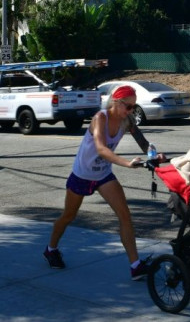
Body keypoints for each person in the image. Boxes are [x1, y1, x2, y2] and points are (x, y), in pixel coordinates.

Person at [43, 85, 165, 280]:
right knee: (68, 216)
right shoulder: (101, 117)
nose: (131, 110)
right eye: (128, 106)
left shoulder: (128, 120)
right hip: (82, 174)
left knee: (125, 215)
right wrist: (127, 163)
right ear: (116, 101)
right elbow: (101, 148)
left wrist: (154, 155)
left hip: (103, 176)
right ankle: (51, 249)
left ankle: (135, 266)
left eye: (134, 107)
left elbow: (143, 143)